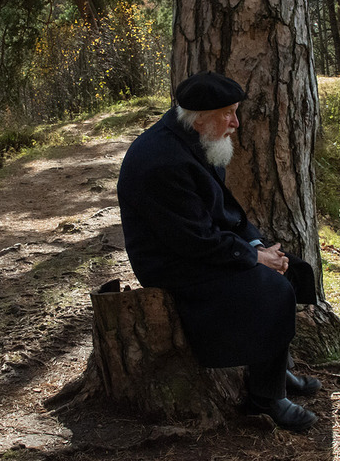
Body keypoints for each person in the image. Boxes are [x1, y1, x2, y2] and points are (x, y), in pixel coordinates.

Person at [116, 71, 322, 433]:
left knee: (294, 270)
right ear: (199, 115)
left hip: (200, 245)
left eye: (235, 111)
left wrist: (257, 245)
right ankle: (265, 397)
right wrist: (255, 259)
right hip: (173, 263)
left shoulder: (198, 137)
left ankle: (275, 367)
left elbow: (225, 211)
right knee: (271, 289)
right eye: (228, 113)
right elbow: (193, 239)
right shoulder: (161, 159)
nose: (236, 122)